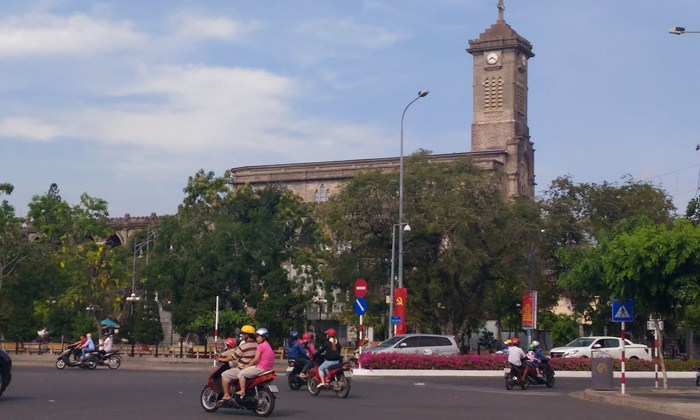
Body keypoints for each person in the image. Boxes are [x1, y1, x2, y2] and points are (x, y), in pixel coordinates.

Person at [219, 325, 258, 403]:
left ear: (246, 335)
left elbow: (234, 357)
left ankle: (226, 395)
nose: (242, 335)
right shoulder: (257, 345)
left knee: (224, 375)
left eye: (243, 334)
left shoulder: (243, 346)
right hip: (253, 368)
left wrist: (223, 359)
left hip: (242, 368)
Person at [236, 327, 275, 396]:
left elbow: (255, 359)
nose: (257, 339)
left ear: (264, 337)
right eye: (256, 337)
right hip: (269, 369)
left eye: (258, 337)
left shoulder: (261, 346)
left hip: (261, 368)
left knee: (241, 374)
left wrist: (247, 366)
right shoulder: (270, 345)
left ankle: (242, 391)